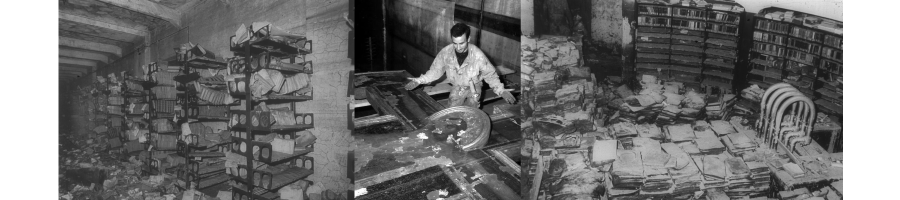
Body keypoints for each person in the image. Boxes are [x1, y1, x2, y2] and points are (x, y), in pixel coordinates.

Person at [404, 23, 516, 108]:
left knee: (472, 109)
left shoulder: (477, 55)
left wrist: (501, 91)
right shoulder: (446, 53)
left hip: (474, 86)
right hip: (457, 86)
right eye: (455, 43)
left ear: (468, 39)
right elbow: (435, 71)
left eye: (461, 43)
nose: (458, 47)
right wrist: (420, 80)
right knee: (452, 110)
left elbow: (490, 75)